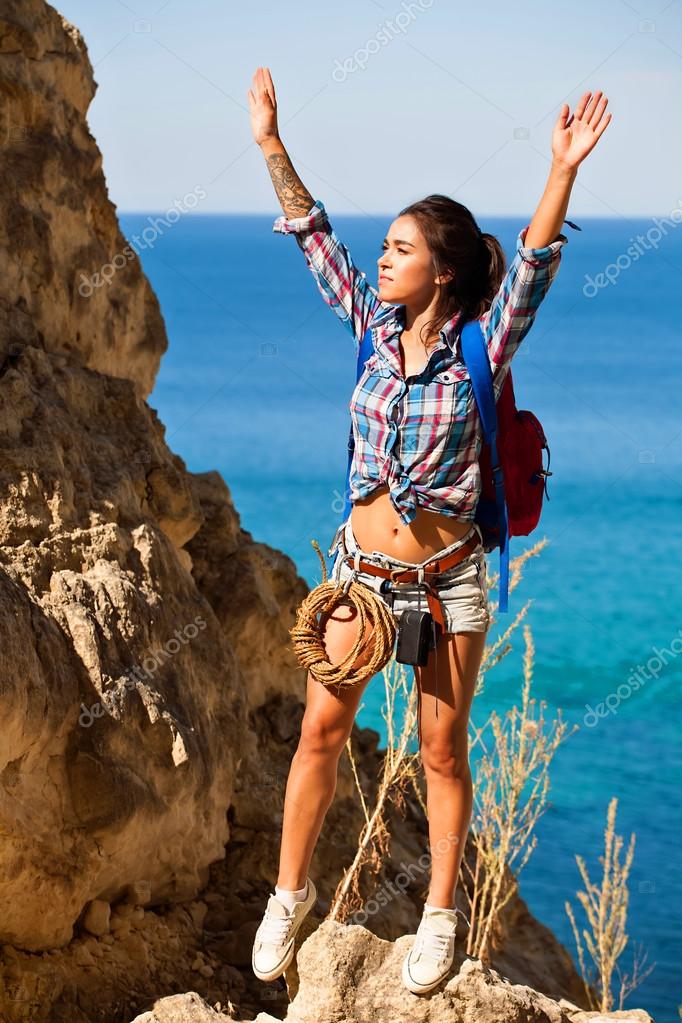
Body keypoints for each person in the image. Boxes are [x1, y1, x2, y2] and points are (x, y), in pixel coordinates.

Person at [247, 66, 611, 994]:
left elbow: (530, 266)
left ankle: (440, 913)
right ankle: (287, 894)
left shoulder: (483, 348)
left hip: (447, 580)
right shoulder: (371, 330)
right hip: (360, 576)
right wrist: (272, 146)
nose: (382, 258)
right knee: (320, 733)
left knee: (442, 751)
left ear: (440, 271)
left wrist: (561, 168)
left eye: (400, 248)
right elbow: (313, 239)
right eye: (386, 246)